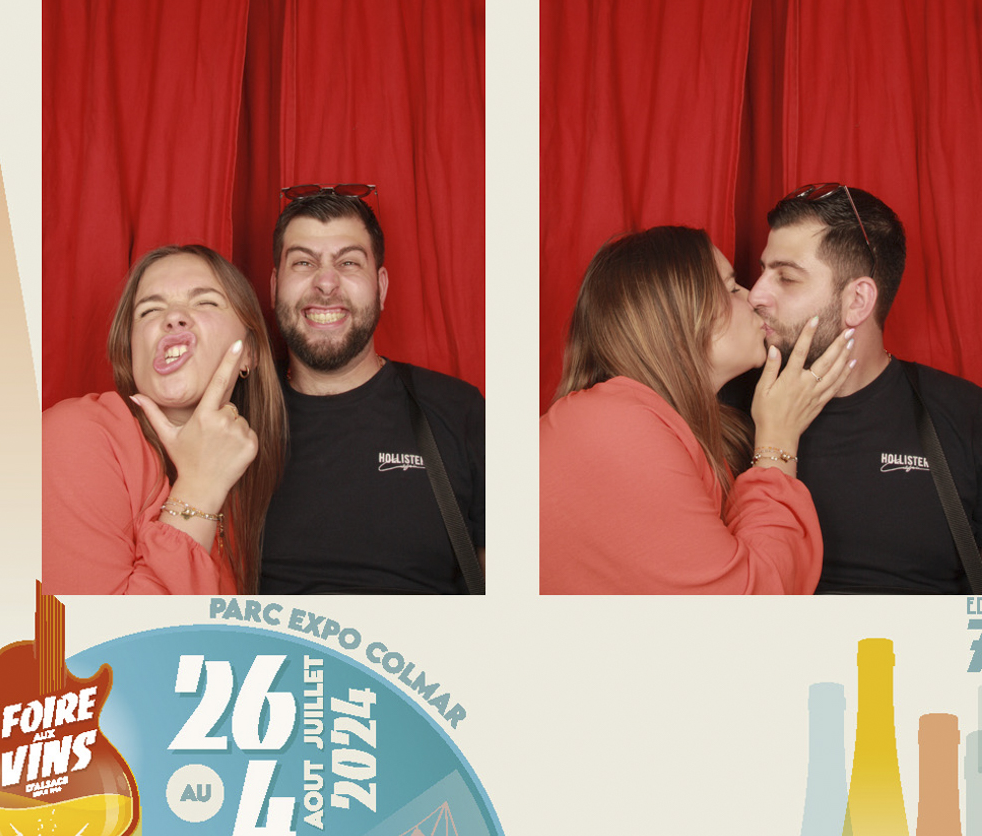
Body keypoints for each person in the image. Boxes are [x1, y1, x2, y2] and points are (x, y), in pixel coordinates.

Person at [539, 226, 855, 594]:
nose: (754, 297)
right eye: (731, 288)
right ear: (676, 319)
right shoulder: (615, 426)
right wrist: (777, 440)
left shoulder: (665, 423)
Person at [743, 184, 982, 593]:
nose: (755, 295)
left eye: (786, 277)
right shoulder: (731, 406)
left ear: (858, 300)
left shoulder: (962, 411)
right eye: (762, 271)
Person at [261, 186, 484, 593]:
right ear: (275, 284)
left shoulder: (458, 410)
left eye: (348, 262)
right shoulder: (233, 412)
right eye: (303, 262)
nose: (325, 283)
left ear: (380, 287)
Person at [42, 247, 287, 595]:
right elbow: (97, 631)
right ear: (131, 350)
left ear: (250, 352)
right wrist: (200, 489)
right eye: (150, 310)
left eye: (205, 302)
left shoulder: (246, 471)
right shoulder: (73, 436)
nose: (173, 318)